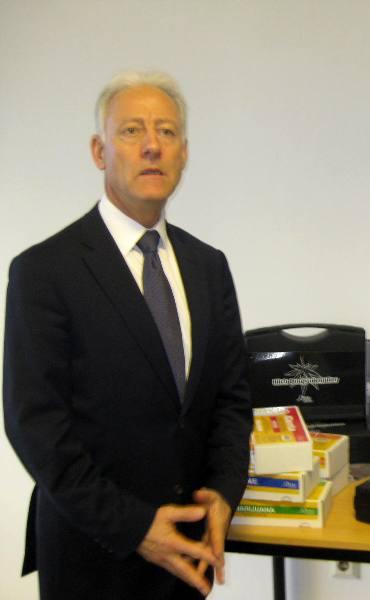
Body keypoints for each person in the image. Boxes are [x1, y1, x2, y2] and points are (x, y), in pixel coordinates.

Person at [3, 71, 252, 599]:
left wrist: (225, 492)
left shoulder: (209, 267)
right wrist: (136, 528)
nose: (152, 145)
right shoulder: (44, 271)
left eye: (167, 131)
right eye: (132, 130)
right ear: (100, 151)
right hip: (94, 555)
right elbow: (35, 425)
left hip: (188, 555)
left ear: (184, 153)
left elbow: (231, 400)